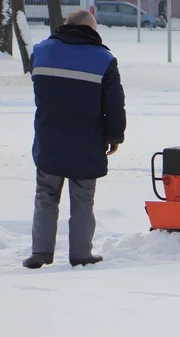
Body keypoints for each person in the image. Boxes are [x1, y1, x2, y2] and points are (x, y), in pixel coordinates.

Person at [22, 9, 126, 269]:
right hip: (87, 139)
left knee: (45, 194)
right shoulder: (103, 59)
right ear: (91, 29)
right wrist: (114, 135)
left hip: (49, 136)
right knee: (82, 197)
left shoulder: (41, 51)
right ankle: (81, 254)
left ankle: (41, 253)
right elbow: (114, 103)